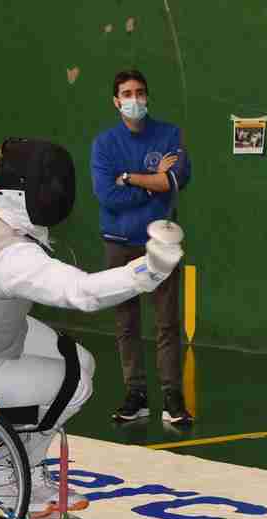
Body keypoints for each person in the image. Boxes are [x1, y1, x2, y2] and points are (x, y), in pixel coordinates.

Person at [0, 137, 183, 519]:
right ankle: (3, 474)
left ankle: (23, 464)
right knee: (77, 386)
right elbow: (82, 293)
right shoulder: (12, 256)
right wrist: (149, 270)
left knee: (81, 362)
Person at [91, 69, 193, 425]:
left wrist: (129, 177)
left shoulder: (169, 134)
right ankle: (135, 393)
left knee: (167, 322)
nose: (134, 99)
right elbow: (108, 196)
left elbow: (177, 179)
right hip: (118, 244)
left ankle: (172, 396)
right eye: (127, 93)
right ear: (116, 101)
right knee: (126, 324)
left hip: (160, 245)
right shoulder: (104, 144)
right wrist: (152, 184)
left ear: (147, 97)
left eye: (140, 92)